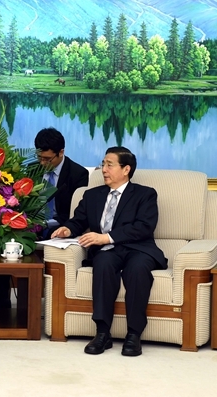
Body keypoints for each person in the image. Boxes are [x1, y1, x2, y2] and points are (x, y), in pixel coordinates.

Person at [51, 146, 167, 357]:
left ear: (126, 169)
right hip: (107, 251)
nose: (103, 169)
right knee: (102, 264)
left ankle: (134, 334)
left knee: (137, 270)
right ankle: (102, 333)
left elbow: (143, 227)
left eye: (109, 165)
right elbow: (79, 221)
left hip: (138, 249)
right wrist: (67, 229)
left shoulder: (145, 194)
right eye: (103, 164)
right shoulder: (92, 195)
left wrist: (106, 237)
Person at [0, 127, 89, 309]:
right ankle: (0, 299)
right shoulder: (32, 169)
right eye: (40, 157)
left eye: (47, 159)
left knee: (30, 238)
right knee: (5, 238)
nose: (42, 162)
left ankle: (28, 303)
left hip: (59, 224)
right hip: (30, 221)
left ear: (61, 152)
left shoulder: (78, 174)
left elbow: (78, 212)